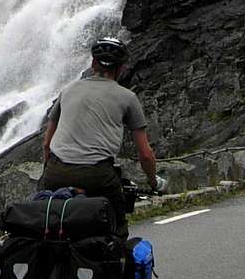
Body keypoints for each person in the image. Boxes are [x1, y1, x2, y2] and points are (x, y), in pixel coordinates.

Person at [40, 37, 164, 238]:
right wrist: (153, 182)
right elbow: (145, 154)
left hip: (57, 171)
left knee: (49, 225)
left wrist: (50, 172)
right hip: (98, 175)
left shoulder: (68, 89)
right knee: (116, 229)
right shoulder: (127, 98)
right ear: (121, 68)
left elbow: (47, 143)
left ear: (92, 63)